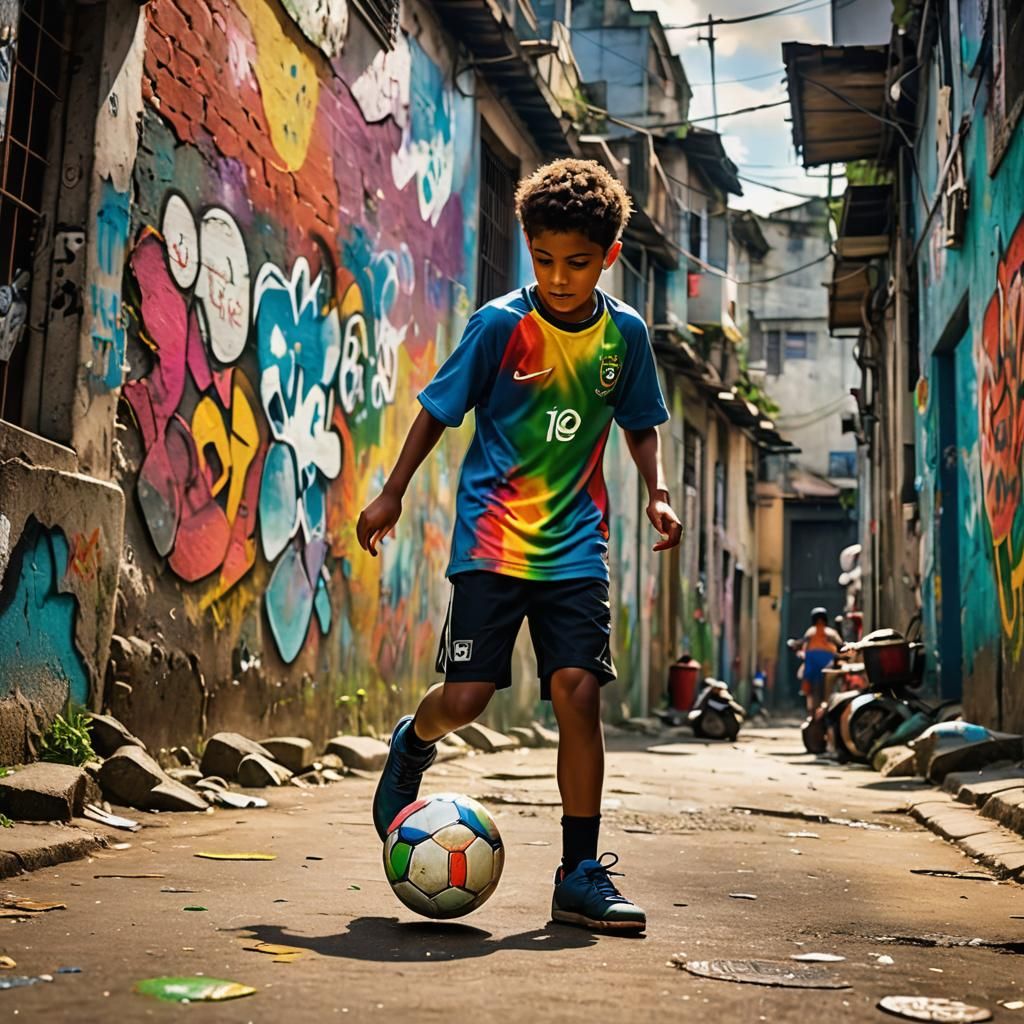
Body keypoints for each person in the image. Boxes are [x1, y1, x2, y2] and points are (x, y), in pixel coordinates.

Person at [356, 158, 682, 935]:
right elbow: (440, 408)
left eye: (577, 262)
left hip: (575, 544)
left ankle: (579, 873)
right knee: (468, 700)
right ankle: (414, 741)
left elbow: (639, 419)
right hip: (493, 542)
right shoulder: (502, 325)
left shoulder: (625, 336)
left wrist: (659, 489)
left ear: (607, 256)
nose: (560, 277)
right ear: (528, 249)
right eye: (544, 259)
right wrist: (393, 488)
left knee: (578, 692)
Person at [790, 607, 843, 714]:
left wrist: (794, 644)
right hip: (828, 667)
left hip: (812, 668)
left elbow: (800, 644)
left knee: (809, 691)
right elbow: (840, 645)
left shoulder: (810, 632)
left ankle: (811, 711)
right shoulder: (831, 632)